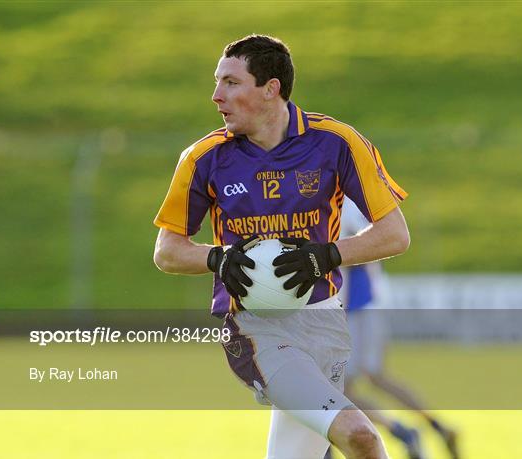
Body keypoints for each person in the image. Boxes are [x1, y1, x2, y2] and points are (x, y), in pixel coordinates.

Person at [153, 34, 410, 459]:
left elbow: (395, 235)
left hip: (325, 323)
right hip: (256, 327)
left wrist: (325, 255)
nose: (216, 95)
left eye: (231, 83)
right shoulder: (204, 158)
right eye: (218, 82)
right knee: (361, 437)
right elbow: (166, 250)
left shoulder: (337, 143)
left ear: (271, 88)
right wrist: (217, 257)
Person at [324, 199, 459, 459]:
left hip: (358, 305)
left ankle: (408, 431)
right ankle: (432, 428)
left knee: (345, 387)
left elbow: (364, 249)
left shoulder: (344, 204)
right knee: (359, 382)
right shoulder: (342, 200)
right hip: (360, 303)